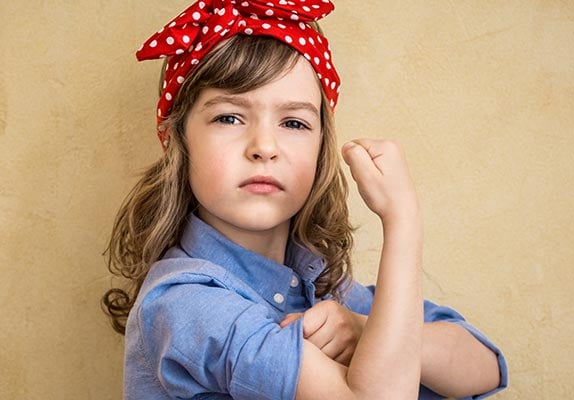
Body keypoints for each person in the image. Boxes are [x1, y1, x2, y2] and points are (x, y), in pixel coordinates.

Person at [102, 1, 508, 399]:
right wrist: (403, 222)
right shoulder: (184, 304)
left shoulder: (328, 290)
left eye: (293, 122)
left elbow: (486, 366)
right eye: (229, 117)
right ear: (177, 139)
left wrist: (363, 330)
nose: (264, 146)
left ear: (320, 149)